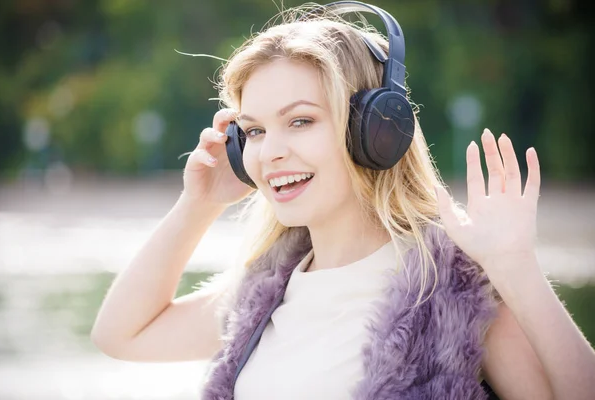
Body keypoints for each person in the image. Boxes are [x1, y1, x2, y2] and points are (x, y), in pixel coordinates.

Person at [91, 2, 595, 399]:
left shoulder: (449, 288)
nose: (271, 153)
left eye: (301, 121)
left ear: (374, 129)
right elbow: (121, 334)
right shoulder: (264, 294)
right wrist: (196, 204)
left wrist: (517, 268)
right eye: (255, 132)